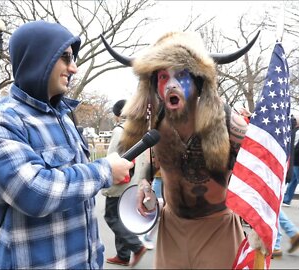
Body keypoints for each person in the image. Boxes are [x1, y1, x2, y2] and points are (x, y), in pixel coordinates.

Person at [0, 21, 134, 269]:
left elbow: (79, 197)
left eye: (74, 58)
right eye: (65, 57)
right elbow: (35, 192)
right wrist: (105, 170)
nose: (74, 68)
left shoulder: (64, 118)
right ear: (39, 58)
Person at [102, 31, 257, 268]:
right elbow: (151, 159)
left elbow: (258, 172)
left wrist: (258, 227)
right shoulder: (156, 123)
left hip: (218, 229)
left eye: (181, 75)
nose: (171, 84)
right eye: (163, 76)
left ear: (198, 80)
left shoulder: (227, 122)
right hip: (171, 229)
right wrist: (144, 183)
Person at [102, 99, 147, 267]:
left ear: (118, 114)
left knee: (111, 216)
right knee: (121, 216)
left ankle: (136, 246)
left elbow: (111, 157)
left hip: (119, 181)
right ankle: (123, 255)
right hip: (132, 180)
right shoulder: (138, 131)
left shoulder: (119, 131)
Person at [272, 115, 299, 258]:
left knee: (273, 208)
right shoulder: (288, 129)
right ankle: (293, 233)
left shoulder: (283, 128)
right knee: (275, 207)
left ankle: (276, 245)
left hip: (278, 172)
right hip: (284, 170)